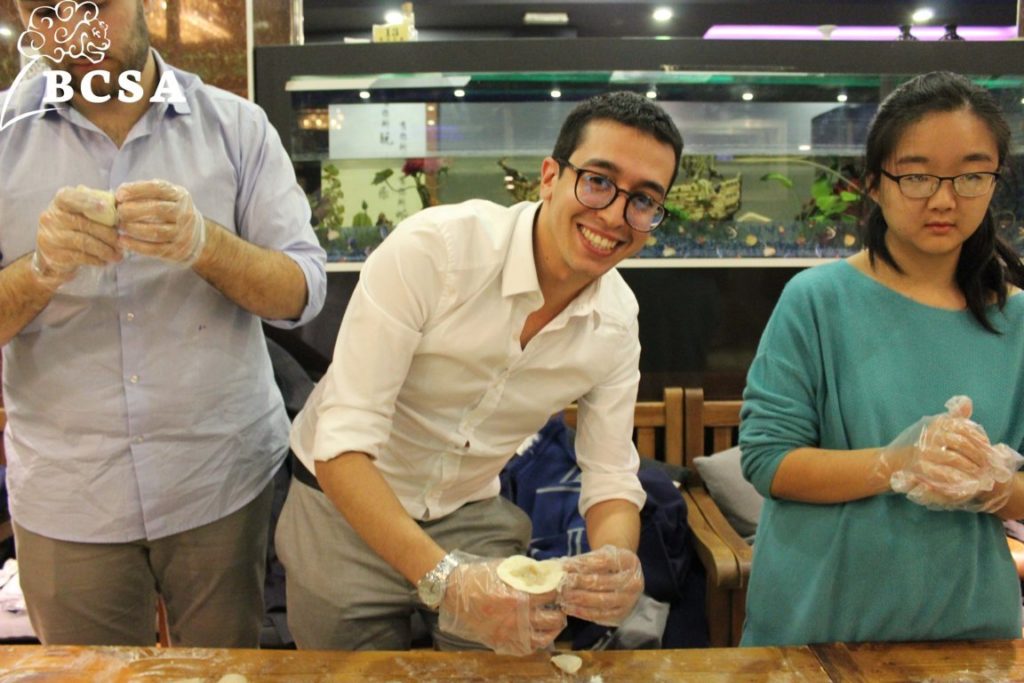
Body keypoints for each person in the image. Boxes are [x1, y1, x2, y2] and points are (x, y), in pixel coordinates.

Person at [277, 91, 683, 654]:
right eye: (597, 181)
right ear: (549, 177)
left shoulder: (614, 323)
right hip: (342, 511)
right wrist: (447, 582)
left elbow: (611, 475)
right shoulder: (436, 251)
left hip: (468, 510)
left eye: (643, 201)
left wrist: (615, 563)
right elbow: (341, 446)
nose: (615, 215)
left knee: (507, 667)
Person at [0, 0, 326, 646]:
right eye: (49, 11)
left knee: (224, 672)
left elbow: (302, 292)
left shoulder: (236, 128)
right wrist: (38, 270)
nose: (77, 31)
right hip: (68, 492)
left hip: (221, 480)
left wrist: (206, 243)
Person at [739, 71, 1024, 646]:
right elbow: (769, 462)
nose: (944, 199)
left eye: (971, 176)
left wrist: (987, 486)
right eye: (916, 176)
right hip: (817, 628)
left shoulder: (1016, 320)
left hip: (970, 631)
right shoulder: (817, 300)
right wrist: (899, 463)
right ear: (873, 183)